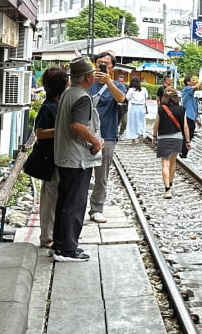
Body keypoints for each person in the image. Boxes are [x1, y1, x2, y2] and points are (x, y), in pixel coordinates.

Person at [52, 57, 104, 262]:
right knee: (75, 204)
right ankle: (68, 250)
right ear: (88, 77)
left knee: (64, 202)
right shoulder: (82, 97)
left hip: (64, 157)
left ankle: (59, 245)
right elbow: (77, 125)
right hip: (77, 159)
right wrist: (96, 142)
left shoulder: (68, 93)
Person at [87, 50, 127, 224]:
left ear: (112, 67)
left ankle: (96, 209)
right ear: (95, 63)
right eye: (100, 62)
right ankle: (77, 206)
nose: (103, 65)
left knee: (101, 176)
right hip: (84, 133)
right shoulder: (87, 81)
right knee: (81, 174)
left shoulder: (118, 85)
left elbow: (121, 99)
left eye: (107, 63)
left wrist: (109, 82)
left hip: (107, 135)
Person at [33, 67, 68, 249]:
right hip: (50, 161)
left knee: (54, 199)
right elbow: (40, 133)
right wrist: (62, 130)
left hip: (56, 159)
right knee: (50, 200)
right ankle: (47, 238)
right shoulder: (49, 107)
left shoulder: (57, 104)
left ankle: (51, 235)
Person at [154, 86, 189, 199]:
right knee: (173, 163)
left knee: (165, 163)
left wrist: (154, 135)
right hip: (177, 138)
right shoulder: (181, 109)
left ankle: (167, 189)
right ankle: (171, 184)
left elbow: (156, 124)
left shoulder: (161, 109)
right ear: (176, 98)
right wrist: (188, 141)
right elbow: (185, 127)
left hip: (164, 138)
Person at [124, 76, 148, 142]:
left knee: (133, 123)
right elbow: (146, 97)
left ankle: (133, 139)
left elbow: (127, 97)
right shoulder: (144, 89)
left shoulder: (131, 90)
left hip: (134, 107)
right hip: (142, 107)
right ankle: (141, 133)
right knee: (141, 122)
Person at [180, 74, 201, 141]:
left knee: (190, 136)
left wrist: (196, 119)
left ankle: (184, 149)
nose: (194, 81)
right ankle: (184, 150)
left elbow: (192, 107)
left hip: (191, 117)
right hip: (188, 117)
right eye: (193, 80)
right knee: (187, 137)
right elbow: (197, 87)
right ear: (188, 82)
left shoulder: (189, 93)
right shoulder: (187, 89)